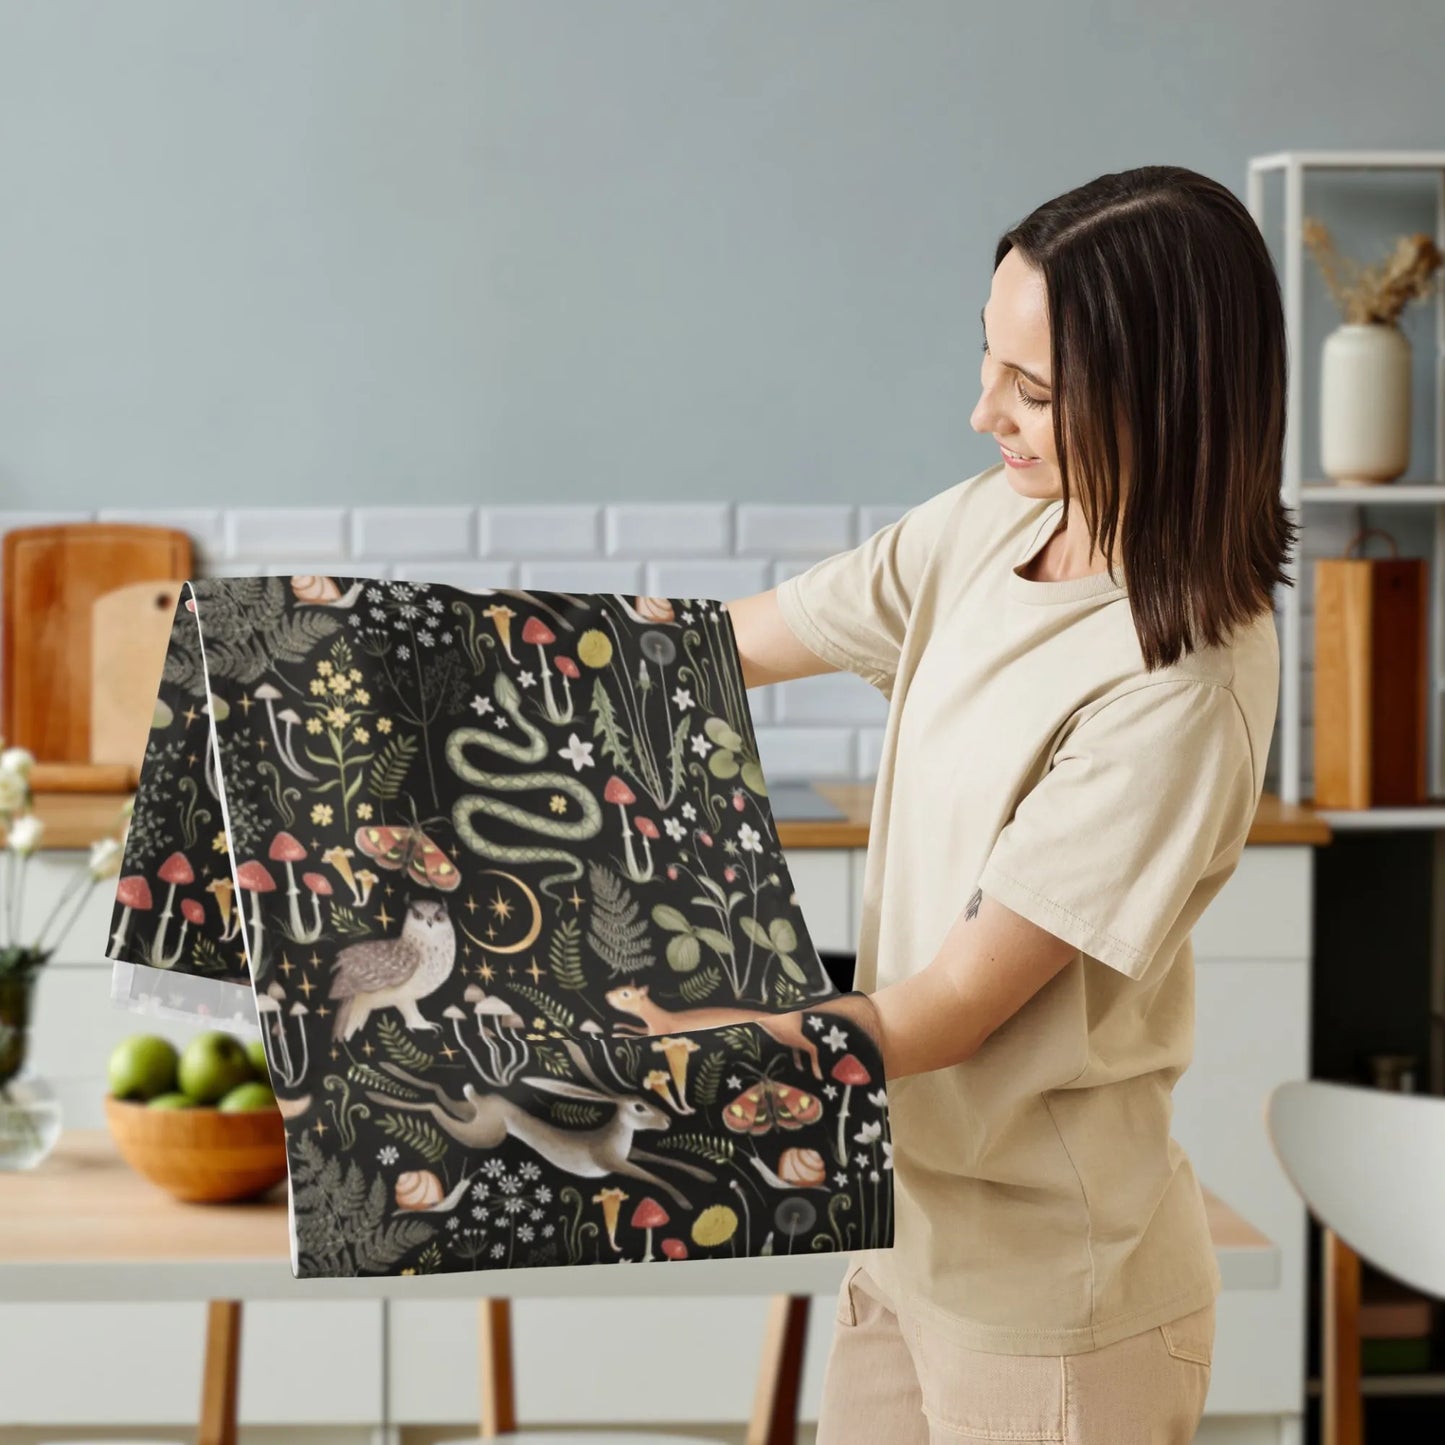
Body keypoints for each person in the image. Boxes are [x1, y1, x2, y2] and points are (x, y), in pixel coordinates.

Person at [723, 165, 1295, 1443]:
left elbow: (952, 1009)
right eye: (990, 360)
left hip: (1055, 1308)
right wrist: (419, 674)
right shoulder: (993, 521)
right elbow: (724, 645)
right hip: (906, 1237)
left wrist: (668, 1052)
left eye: (1033, 390)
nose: (983, 409)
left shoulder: (1178, 682)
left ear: (1168, 395)